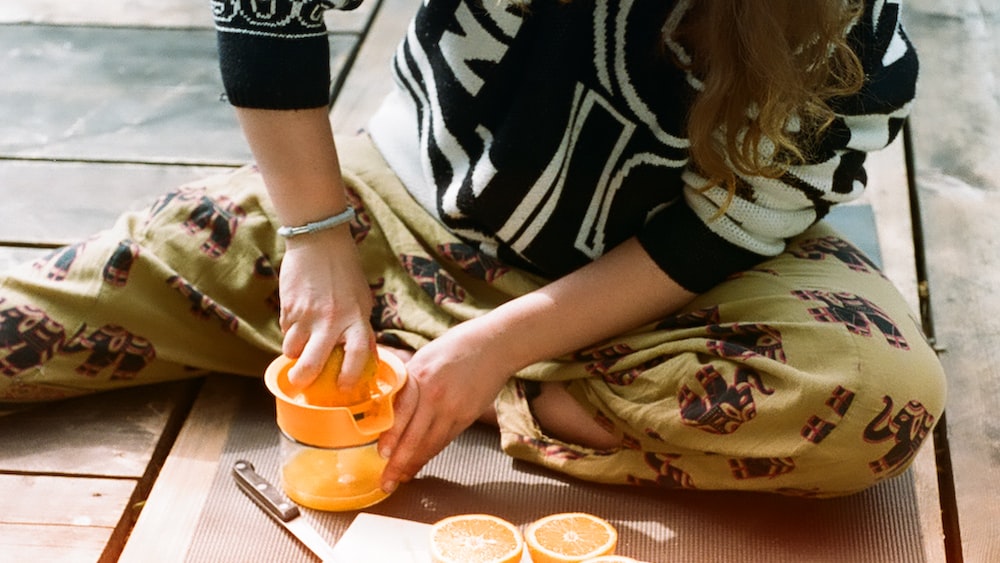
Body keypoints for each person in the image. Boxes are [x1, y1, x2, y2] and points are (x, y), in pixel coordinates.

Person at [1, 0, 945, 497]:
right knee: (31, 319)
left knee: (876, 401)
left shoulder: (853, 35)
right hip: (389, 222)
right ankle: (408, 368)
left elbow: (720, 233)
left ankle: (448, 393)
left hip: (660, 298)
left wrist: (493, 358)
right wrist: (316, 233)